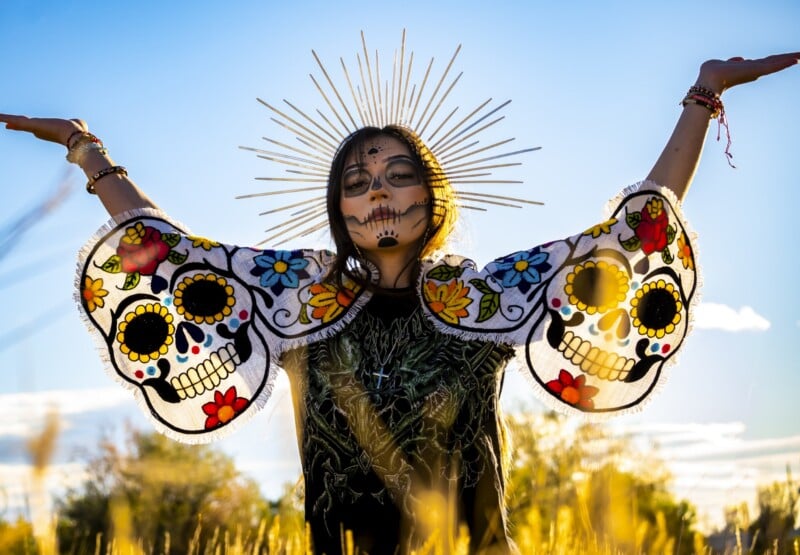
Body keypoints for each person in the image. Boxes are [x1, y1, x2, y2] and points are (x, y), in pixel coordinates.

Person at [1, 50, 797, 554]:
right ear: (339, 210)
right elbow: (174, 254)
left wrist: (701, 95)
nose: (375, 193)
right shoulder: (299, 298)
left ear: (430, 194)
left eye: (394, 176)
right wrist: (87, 150)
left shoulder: (482, 295)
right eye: (355, 183)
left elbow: (628, 238)